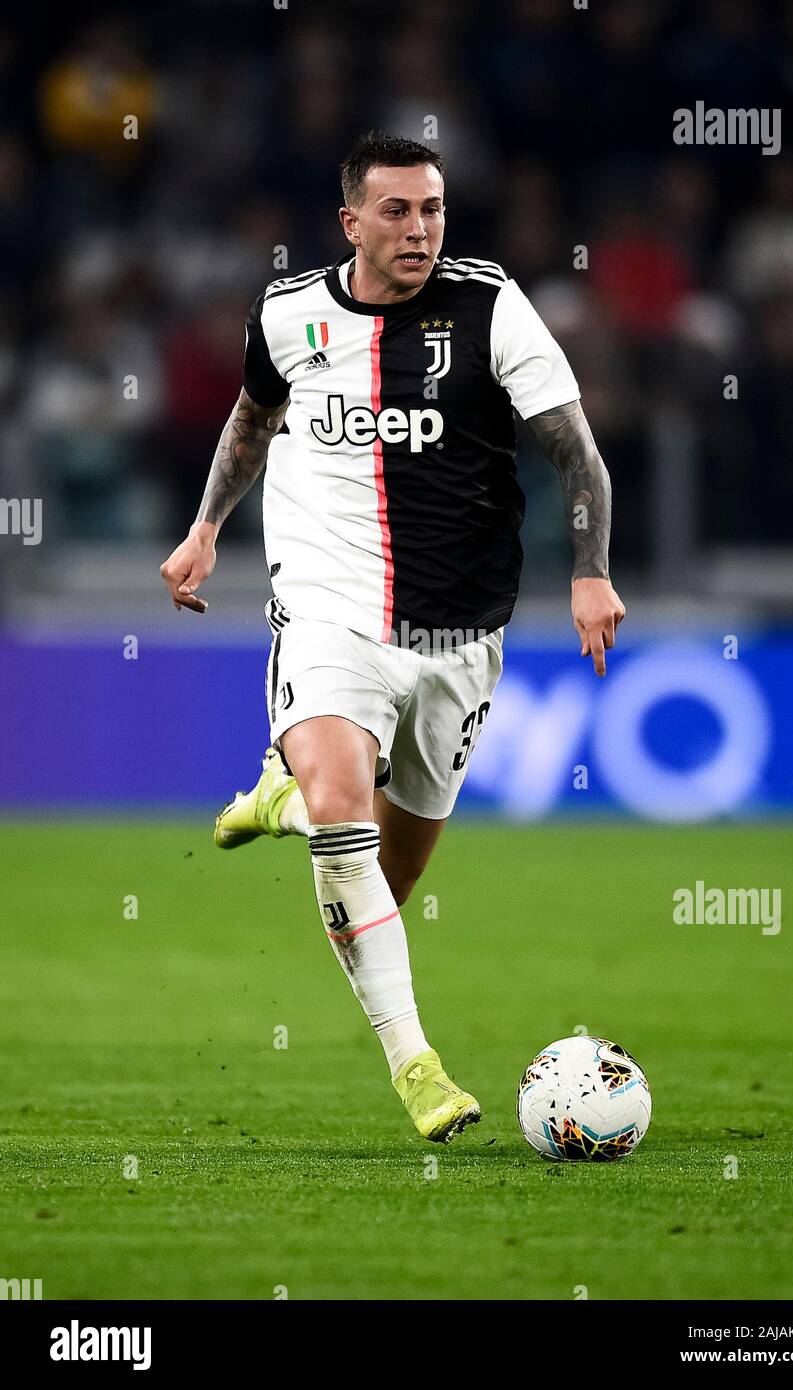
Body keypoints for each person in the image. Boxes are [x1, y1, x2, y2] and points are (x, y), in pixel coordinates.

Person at [160, 132, 625, 1143]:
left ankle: (283, 799)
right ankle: (419, 1069)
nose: (419, 230)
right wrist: (204, 529)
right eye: (397, 212)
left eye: (433, 211)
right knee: (343, 815)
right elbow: (250, 421)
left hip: (460, 629)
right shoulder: (287, 314)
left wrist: (588, 571)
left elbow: (575, 454)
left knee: (390, 873)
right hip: (330, 609)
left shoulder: (491, 306)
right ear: (351, 222)